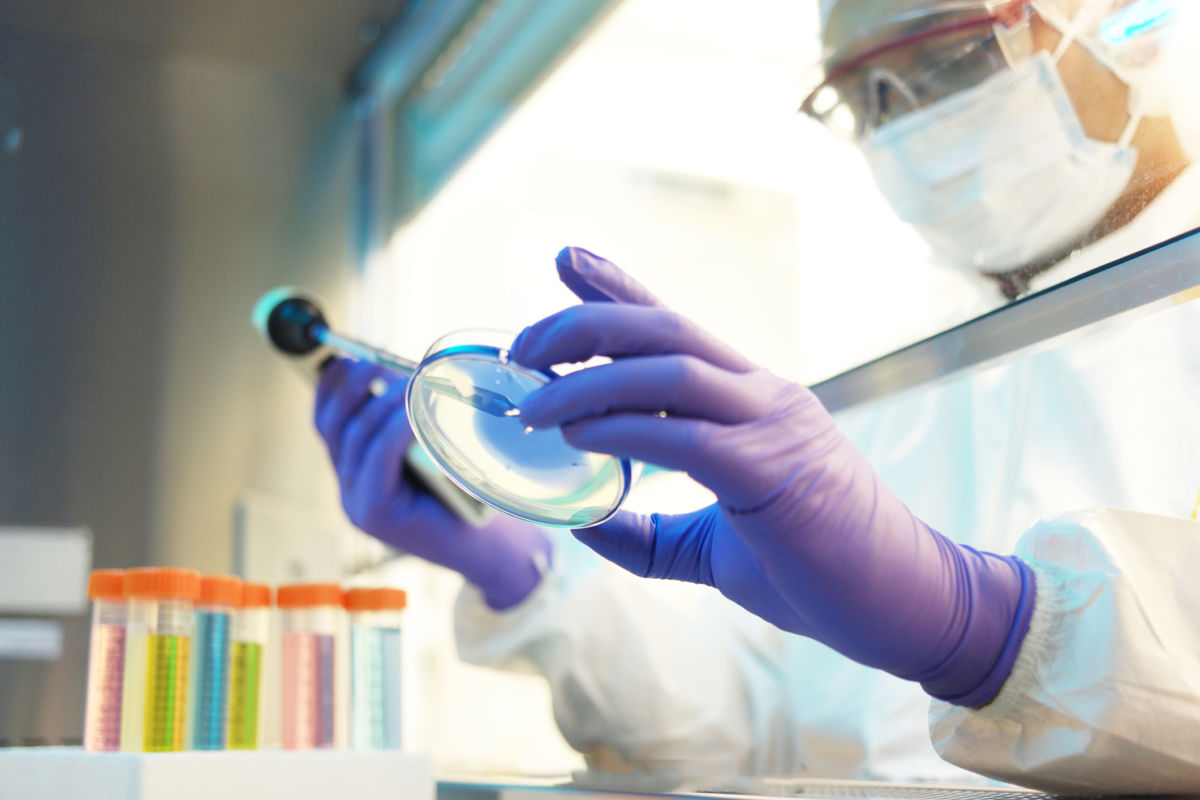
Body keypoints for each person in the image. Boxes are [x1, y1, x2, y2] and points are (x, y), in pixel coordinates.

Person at [314, 0, 1200, 793]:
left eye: (947, 59)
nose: (905, 125)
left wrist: (989, 631)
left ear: (1139, 21)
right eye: (864, 100)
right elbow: (760, 729)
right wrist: (529, 578)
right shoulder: (904, 364)